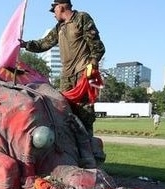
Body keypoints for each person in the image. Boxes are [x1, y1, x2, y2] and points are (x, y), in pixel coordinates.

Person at [20, 0, 105, 135]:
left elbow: (98, 47)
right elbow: (44, 44)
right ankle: (70, 147)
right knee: (64, 111)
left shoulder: (81, 18)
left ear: (61, 7)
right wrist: (25, 45)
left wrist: (92, 64)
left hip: (83, 72)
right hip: (66, 76)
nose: (53, 14)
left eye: (54, 10)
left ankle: (89, 147)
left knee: (85, 114)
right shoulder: (59, 27)